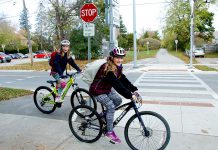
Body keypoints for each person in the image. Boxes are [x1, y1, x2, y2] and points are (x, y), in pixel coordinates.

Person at [89, 47, 139, 144]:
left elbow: (122, 79)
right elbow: (117, 85)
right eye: (117, 57)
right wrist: (129, 95)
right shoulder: (107, 68)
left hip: (107, 89)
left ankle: (104, 116)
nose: (120, 60)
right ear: (112, 57)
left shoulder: (118, 67)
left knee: (118, 100)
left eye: (121, 57)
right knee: (111, 106)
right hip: (98, 90)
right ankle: (109, 132)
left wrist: (134, 89)